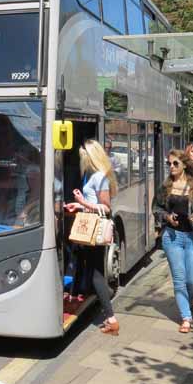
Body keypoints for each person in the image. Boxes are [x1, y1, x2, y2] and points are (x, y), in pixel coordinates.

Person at [153, 149, 193, 333]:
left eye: (175, 164)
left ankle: (188, 300)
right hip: (172, 238)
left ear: (184, 165)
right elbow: (156, 207)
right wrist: (166, 217)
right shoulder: (165, 186)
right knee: (179, 279)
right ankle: (186, 316)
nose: (171, 167)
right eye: (169, 164)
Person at [64, 139, 119, 335]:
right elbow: (93, 202)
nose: (82, 160)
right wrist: (77, 205)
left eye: (83, 156)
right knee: (95, 273)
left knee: (97, 276)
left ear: (91, 156)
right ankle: (109, 317)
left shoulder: (100, 177)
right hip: (89, 227)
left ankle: (111, 318)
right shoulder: (92, 175)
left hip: (95, 231)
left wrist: (82, 202)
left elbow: (105, 208)